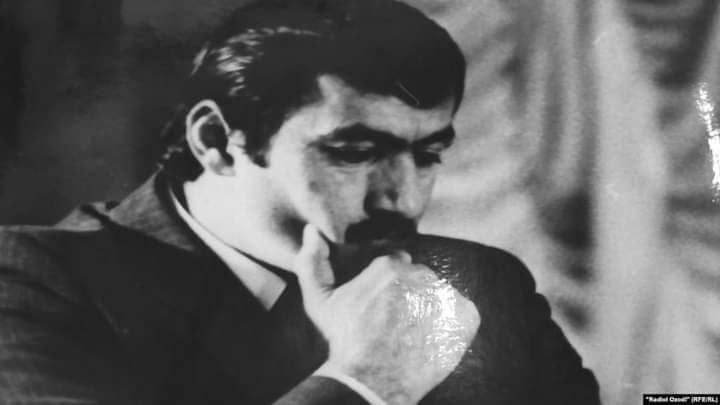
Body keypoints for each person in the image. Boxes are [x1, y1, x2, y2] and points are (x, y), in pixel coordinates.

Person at [0, 0, 600, 403]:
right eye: (355, 151)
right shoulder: (29, 279)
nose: (402, 196)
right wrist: (366, 382)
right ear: (216, 141)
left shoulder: (483, 282)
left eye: (427, 155)